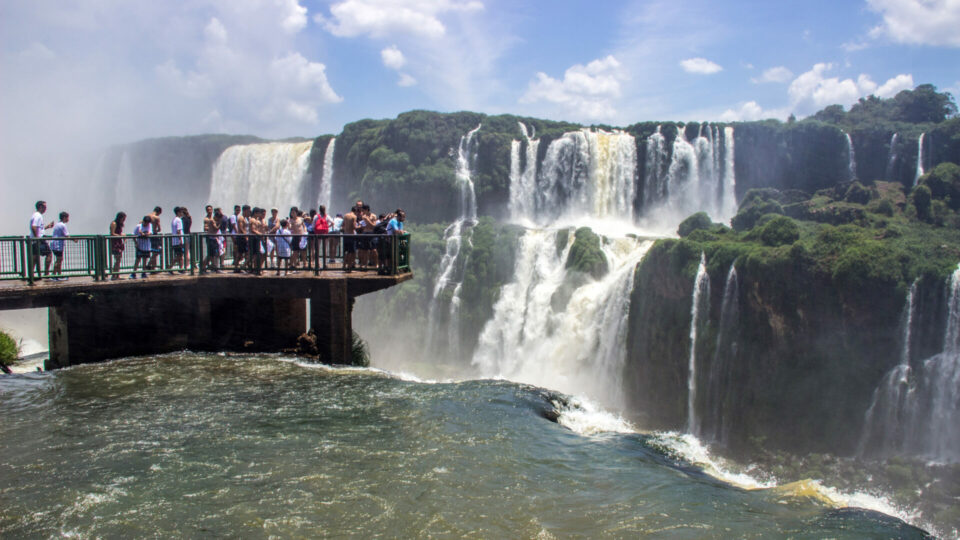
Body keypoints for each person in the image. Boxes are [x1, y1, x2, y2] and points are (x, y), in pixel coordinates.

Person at [29, 200, 54, 280]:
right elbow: (34, 227)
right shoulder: (38, 216)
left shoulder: (35, 215)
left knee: (35, 256)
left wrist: (47, 226)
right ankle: (46, 274)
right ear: (40, 207)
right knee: (49, 254)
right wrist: (37, 239)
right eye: (45, 207)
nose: (46, 209)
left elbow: (39, 228)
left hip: (35, 239)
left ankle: (31, 275)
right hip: (39, 239)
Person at [50, 212, 77, 281]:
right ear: (64, 218)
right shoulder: (62, 225)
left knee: (60, 259)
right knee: (59, 260)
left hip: (54, 244)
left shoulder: (57, 224)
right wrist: (74, 239)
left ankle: (59, 275)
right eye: (67, 217)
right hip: (58, 245)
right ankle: (53, 275)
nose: (68, 219)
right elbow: (67, 235)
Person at [202, 205, 220, 272]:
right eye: (208, 210)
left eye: (210, 209)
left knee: (213, 253)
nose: (209, 211)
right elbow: (205, 228)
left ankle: (211, 266)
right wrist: (212, 227)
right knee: (211, 254)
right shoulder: (206, 219)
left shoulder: (213, 218)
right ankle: (209, 267)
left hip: (214, 237)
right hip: (210, 237)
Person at [109, 212, 127, 280]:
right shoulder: (114, 223)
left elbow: (118, 233)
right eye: (123, 218)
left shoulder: (119, 224)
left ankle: (117, 275)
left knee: (119, 259)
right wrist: (120, 235)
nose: (124, 220)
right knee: (117, 259)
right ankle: (114, 275)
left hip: (119, 242)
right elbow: (112, 233)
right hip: (115, 243)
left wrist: (123, 235)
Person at [234, 205, 251, 272]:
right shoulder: (241, 218)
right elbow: (241, 228)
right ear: (244, 211)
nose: (249, 212)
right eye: (248, 211)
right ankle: (236, 268)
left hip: (244, 237)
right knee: (240, 253)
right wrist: (246, 236)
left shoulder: (246, 218)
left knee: (247, 253)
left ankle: (245, 266)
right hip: (241, 238)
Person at [341, 205, 358, 271]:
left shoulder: (345, 215)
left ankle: (344, 265)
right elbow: (354, 227)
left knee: (346, 251)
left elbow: (343, 225)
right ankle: (349, 266)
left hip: (345, 235)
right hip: (351, 235)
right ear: (355, 211)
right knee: (351, 251)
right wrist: (359, 226)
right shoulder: (354, 216)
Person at [169, 207, 185, 273]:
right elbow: (179, 230)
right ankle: (171, 268)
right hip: (178, 241)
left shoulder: (174, 220)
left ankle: (180, 268)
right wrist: (181, 239)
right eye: (181, 212)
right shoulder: (179, 220)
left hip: (174, 241)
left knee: (179, 255)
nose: (182, 214)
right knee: (179, 255)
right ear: (178, 212)